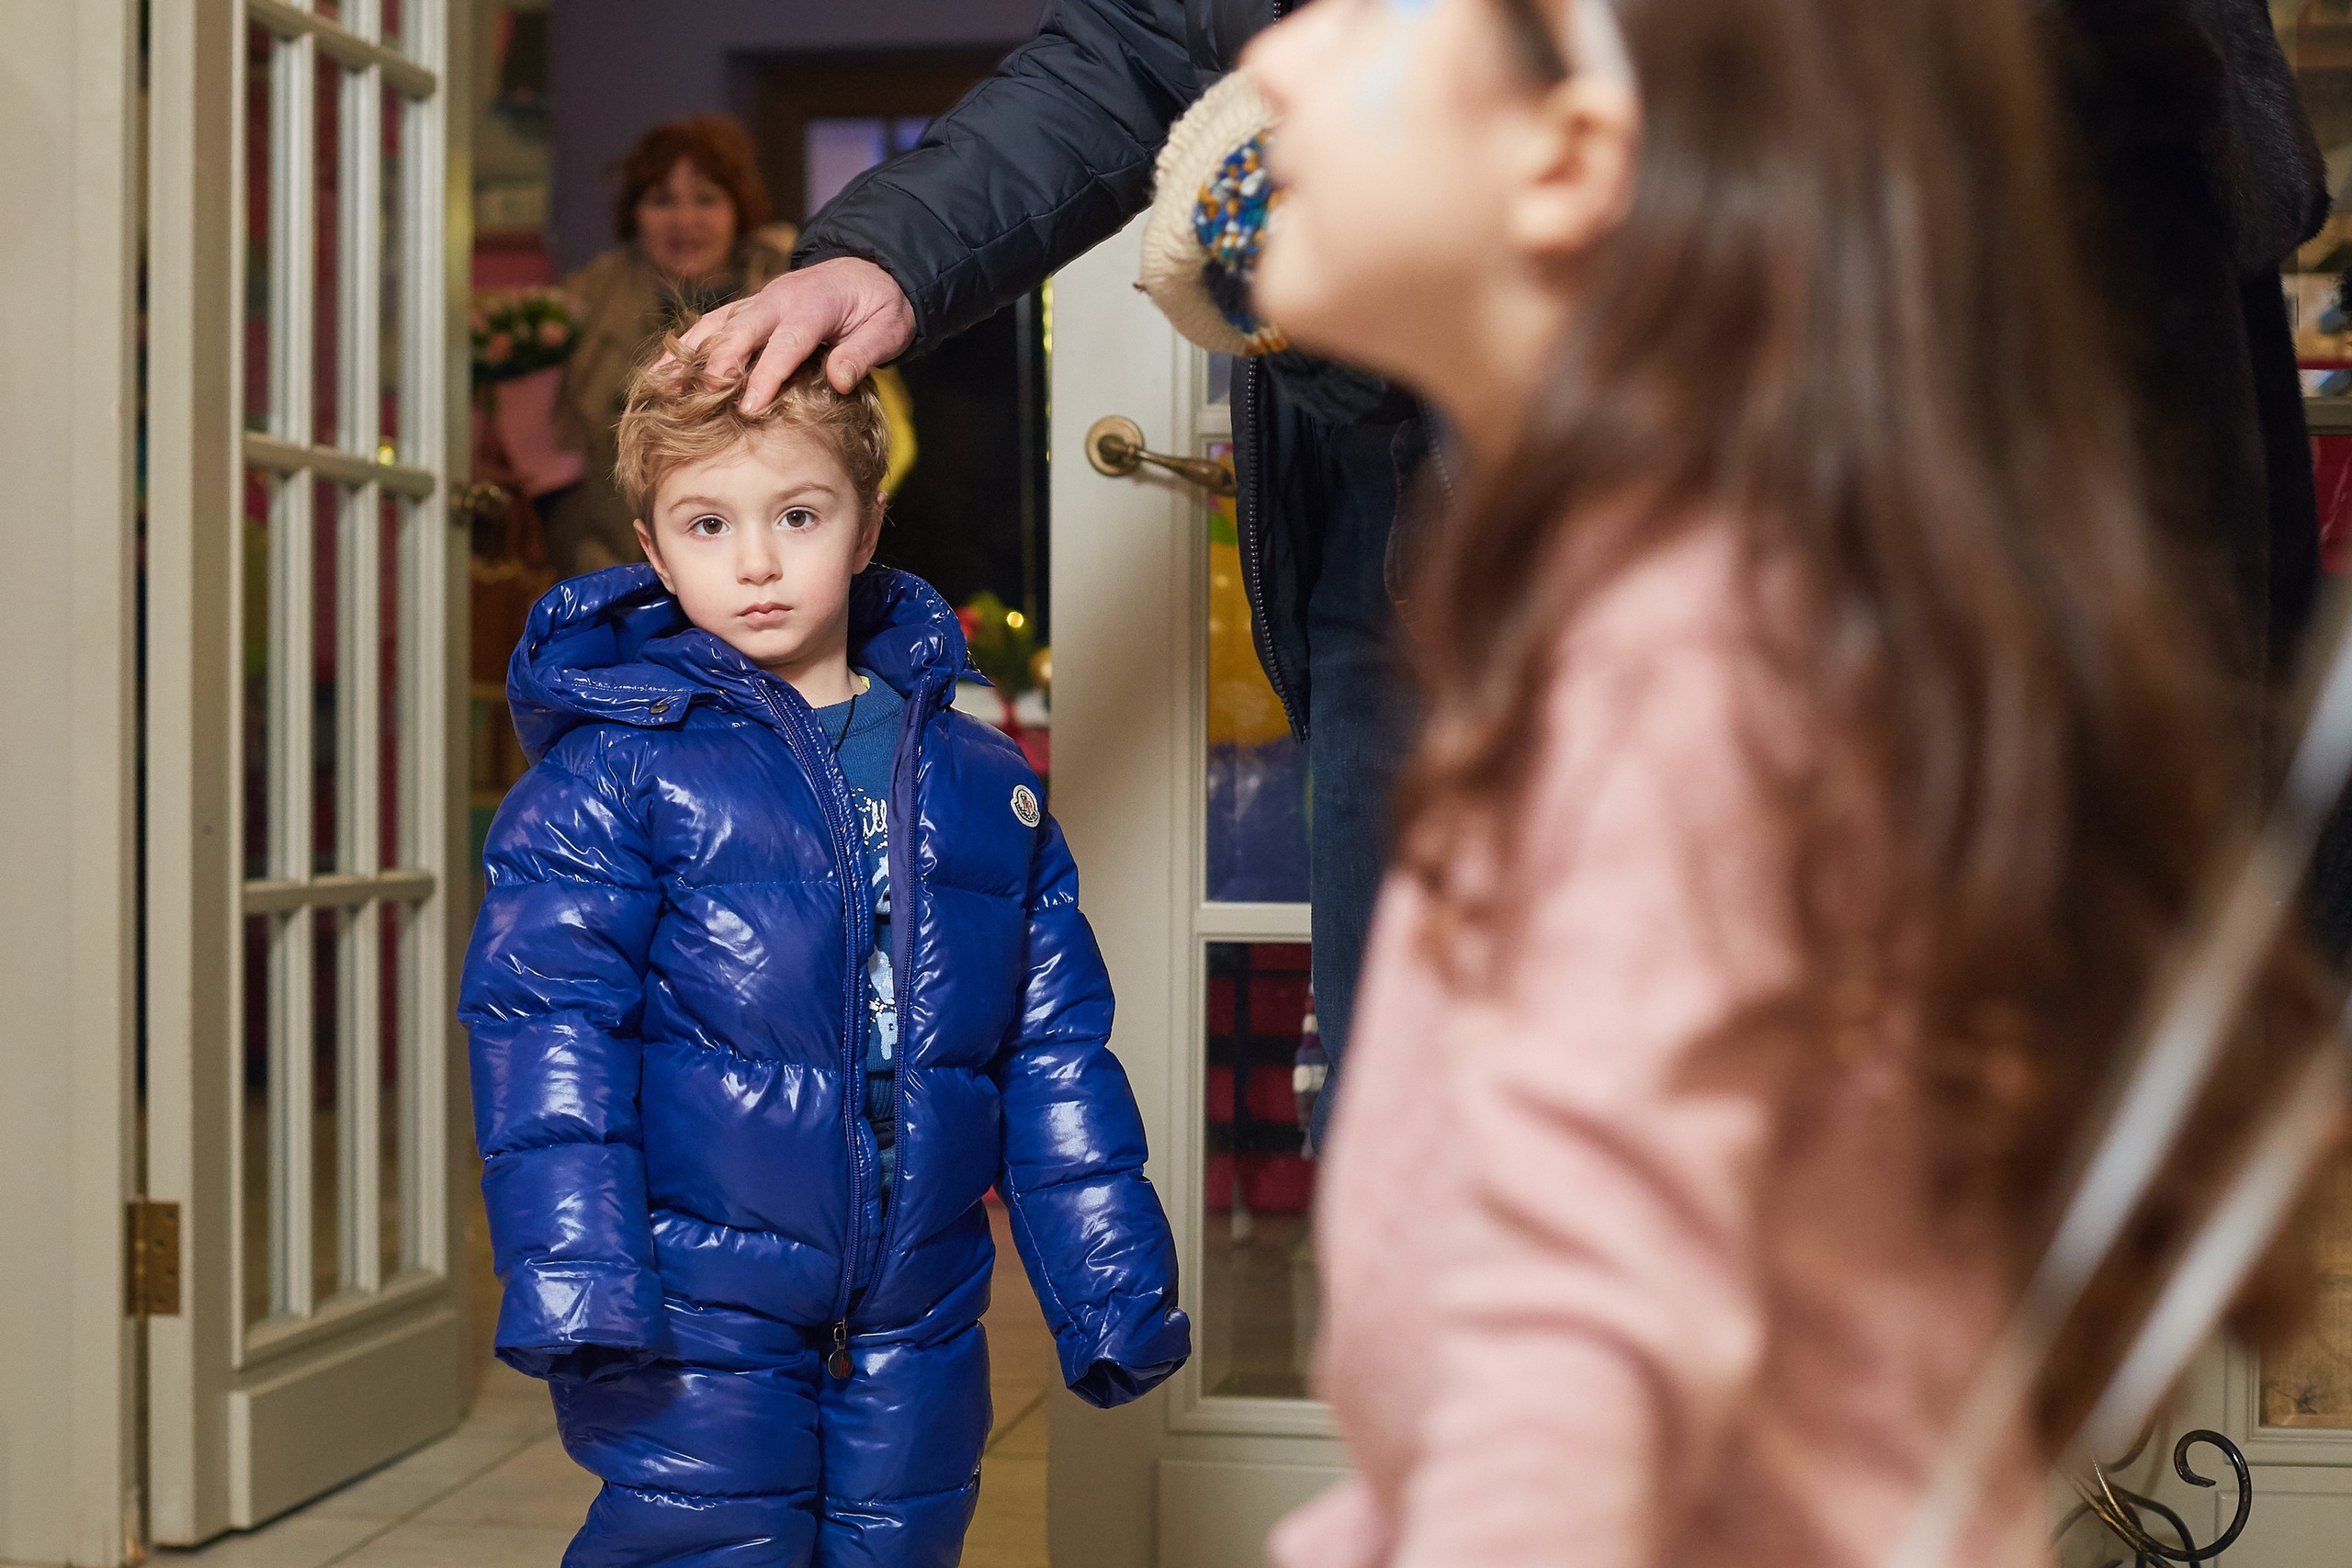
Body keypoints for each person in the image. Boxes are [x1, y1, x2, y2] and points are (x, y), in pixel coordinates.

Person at [683, 0, 2327, 1155]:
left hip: (1836, 538)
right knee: (1425, 1122)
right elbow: (1149, 45)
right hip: (1417, 552)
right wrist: (887, 250)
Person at [1229, 0, 2325, 1565]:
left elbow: (1563, 1392)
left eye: (1369, 9)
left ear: (1571, 155)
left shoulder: (1675, 674)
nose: (1270, 54)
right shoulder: (1629, 606)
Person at [458, 338, 1190, 1566]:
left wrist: (1111, 1284)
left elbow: (1054, 1048)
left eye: (797, 515)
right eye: (707, 524)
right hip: (695, 1292)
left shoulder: (978, 779)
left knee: (899, 1543)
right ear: (652, 550)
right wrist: (577, 1272)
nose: (755, 561)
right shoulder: (610, 775)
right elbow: (547, 1034)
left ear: (866, 527)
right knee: (704, 1544)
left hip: (920, 1291)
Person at [541, 115, 798, 575]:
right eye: (662, 200)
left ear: (738, 209)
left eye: (706, 199)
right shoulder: (586, 300)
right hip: (612, 556)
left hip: (765, 557)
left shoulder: (788, 289)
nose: (684, 221)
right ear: (635, 213)